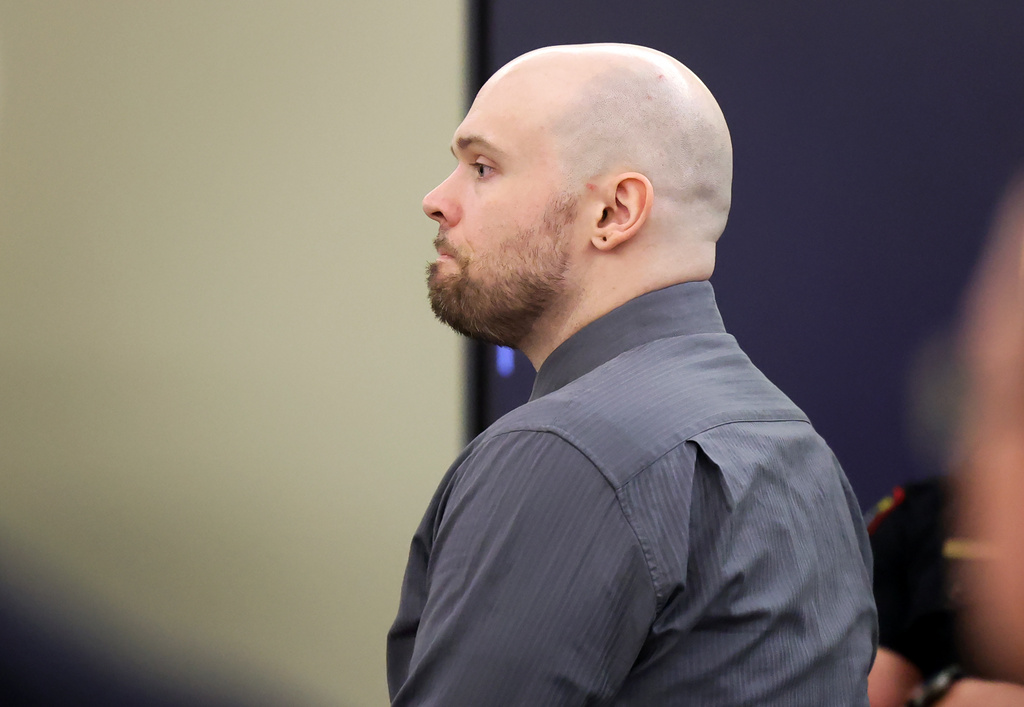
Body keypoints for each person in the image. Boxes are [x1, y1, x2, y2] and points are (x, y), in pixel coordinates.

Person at [388, 43, 877, 705]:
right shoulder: (796, 446)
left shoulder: (568, 455)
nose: (436, 200)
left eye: (482, 166)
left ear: (615, 212)